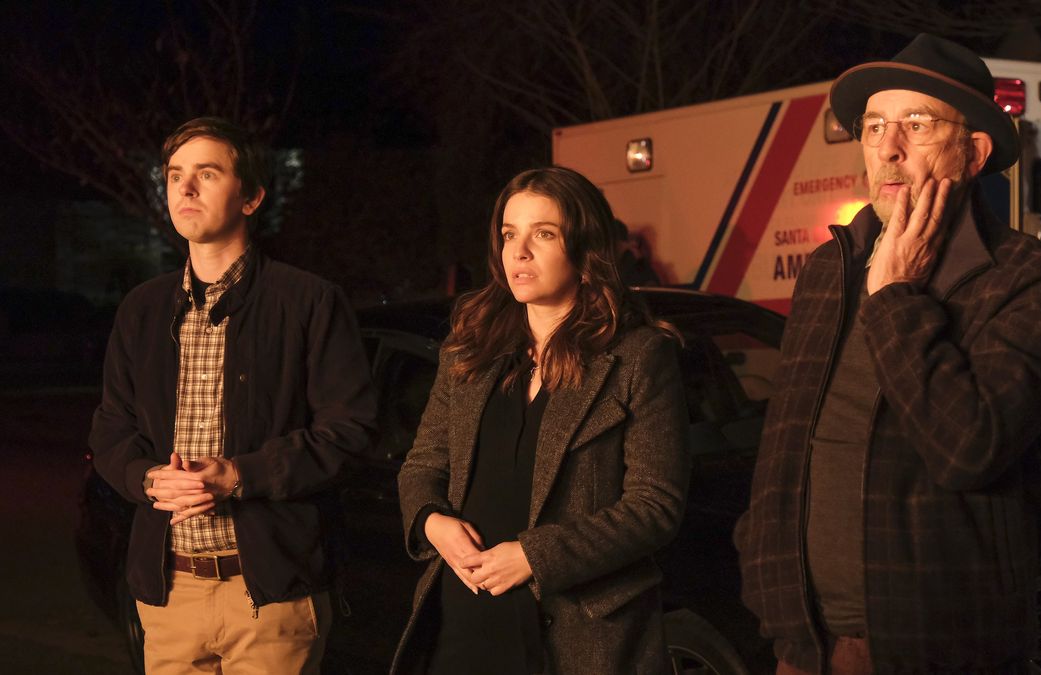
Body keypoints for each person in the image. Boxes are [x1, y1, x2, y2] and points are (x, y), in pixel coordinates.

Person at [734, 34, 1041, 673]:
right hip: (803, 646)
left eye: (916, 125)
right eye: (873, 128)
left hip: (933, 648)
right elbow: (785, 442)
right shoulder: (828, 268)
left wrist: (895, 295)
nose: (888, 149)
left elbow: (969, 448)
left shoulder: (1028, 279)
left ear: (974, 152)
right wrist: (767, 582)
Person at [89, 117, 377, 674]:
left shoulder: (308, 301)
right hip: (168, 592)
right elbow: (110, 428)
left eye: (207, 173)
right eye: (175, 176)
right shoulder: (142, 309)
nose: (186, 189)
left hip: (268, 598)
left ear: (251, 197)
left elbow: (350, 431)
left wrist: (240, 475)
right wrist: (145, 478)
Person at [391, 166, 689, 675]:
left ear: (584, 247)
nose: (519, 252)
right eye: (509, 235)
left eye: (543, 234)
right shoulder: (470, 351)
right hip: (463, 620)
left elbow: (655, 505)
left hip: (578, 633)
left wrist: (535, 557)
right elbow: (422, 465)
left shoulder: (639, 357)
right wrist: (431, 522)